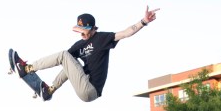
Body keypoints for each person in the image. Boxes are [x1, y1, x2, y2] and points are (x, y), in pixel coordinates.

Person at [11, 7, 159, 102]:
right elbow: (65, 64)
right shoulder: (79, 45)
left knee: (64, 55)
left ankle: (27, 68)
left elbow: (126, 33)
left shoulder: (102, 38)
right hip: (84, 85)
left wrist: (144, 21)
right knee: (69, 59)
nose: (81, 34)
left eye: (84, 31)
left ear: (93, 29)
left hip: (90, 89)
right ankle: (49, 91)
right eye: (79, 31)